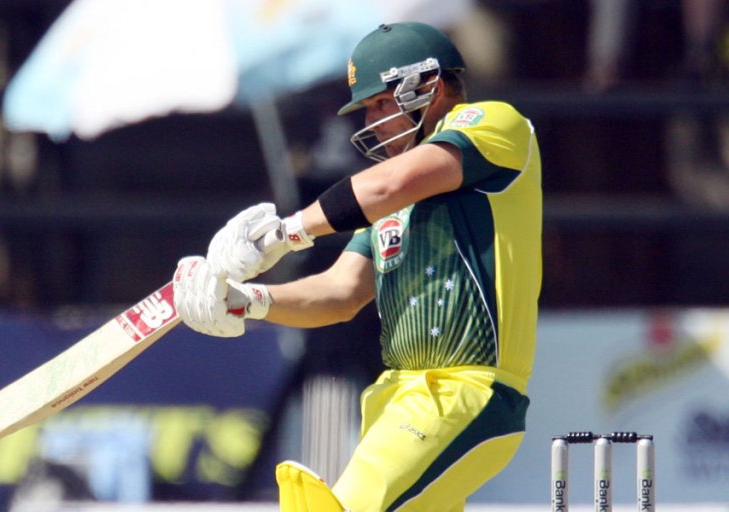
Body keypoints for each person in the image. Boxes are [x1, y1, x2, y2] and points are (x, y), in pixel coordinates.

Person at [172, 22, 542, 512]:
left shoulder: (495, 123)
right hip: (396, 399)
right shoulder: (392, 200)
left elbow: (389, 185)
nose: (369, 121)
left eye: (379, 103)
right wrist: (249, 302)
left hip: (465, 392)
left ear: (424, 86)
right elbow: (340, 293)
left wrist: (287, 232)